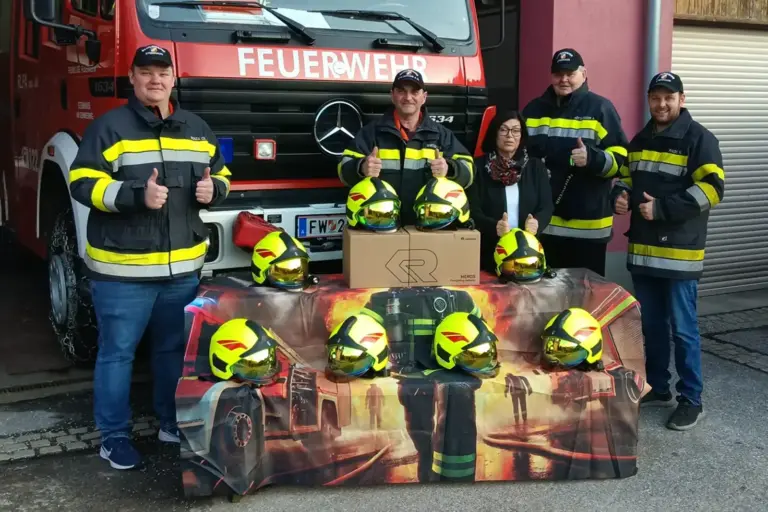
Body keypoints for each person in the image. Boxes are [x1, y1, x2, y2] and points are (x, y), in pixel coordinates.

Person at [69, 44, 231, 470]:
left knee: (172, 352)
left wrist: (215, 190)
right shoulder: (109, 128)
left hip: (182, 271)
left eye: (162, 72)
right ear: (132, 78)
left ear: (173, 79)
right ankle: (114, 438)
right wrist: (134, 195)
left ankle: (170, 423)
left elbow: (222, 172)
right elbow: (82, 182)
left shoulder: (196, 128)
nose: (155, 80)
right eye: (146, 72)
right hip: (123, 272)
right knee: (117, 354)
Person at [613, 72, 724, 430]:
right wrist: (620, 196)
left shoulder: (700, 139)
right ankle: (658, 387)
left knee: (683, 330)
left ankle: (691, 399)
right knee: (652, 326)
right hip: (644, 252)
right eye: (656, 97)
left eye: (669, 97)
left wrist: (661, 209)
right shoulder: (640, 140)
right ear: (649, 99)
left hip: (679, 255)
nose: (661, 104)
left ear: (681, 99)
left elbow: (713, 189)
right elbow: (626, 179)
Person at [522, 48, 629, 276]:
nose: (564, 79)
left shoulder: (601, 109)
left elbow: (622, 159)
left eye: (570, 74)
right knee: (545, 293)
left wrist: (593, 159)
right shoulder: (533, 110)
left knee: (586, 293)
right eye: (558, 74)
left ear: (584, 74)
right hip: (544, 227)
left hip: (588, 230)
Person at [338, 69, 475, 225]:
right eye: (401, 91)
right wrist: (361, 167)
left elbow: (469, 171)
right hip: (381, 224)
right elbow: (343, 169)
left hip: (427, 225)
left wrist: (450, 169)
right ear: (392, 95)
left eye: (414, 92)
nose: (408, 97)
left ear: (424, 97)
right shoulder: (371, 133)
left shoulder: (441, 135)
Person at [466, 110, 553, 273]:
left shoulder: (535, 167)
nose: (509, 136)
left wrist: (537, 223)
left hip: (528, 256)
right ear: (494, 133)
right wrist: (494, 227)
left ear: (522, 135)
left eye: (515, 130)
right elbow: (472, 211)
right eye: (503, 130)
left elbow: (546, 206)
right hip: (489, 253)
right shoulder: (478, 167)